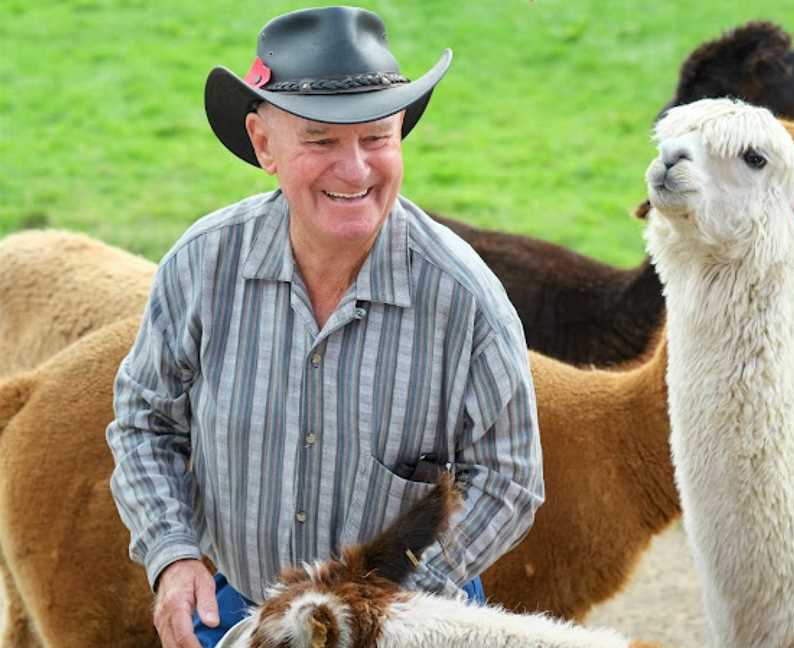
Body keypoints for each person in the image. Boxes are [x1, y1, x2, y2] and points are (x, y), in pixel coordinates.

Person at [107, 6, 544, 648]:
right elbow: (146, 422)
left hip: (410, 615)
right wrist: (172, 554)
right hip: (242, 609)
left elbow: (509, 477)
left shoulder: (466, 299)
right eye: (321, 141)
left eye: (377, 139)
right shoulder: (200, 267)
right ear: (264, 145)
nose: (356, 170)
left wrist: (378, 613)